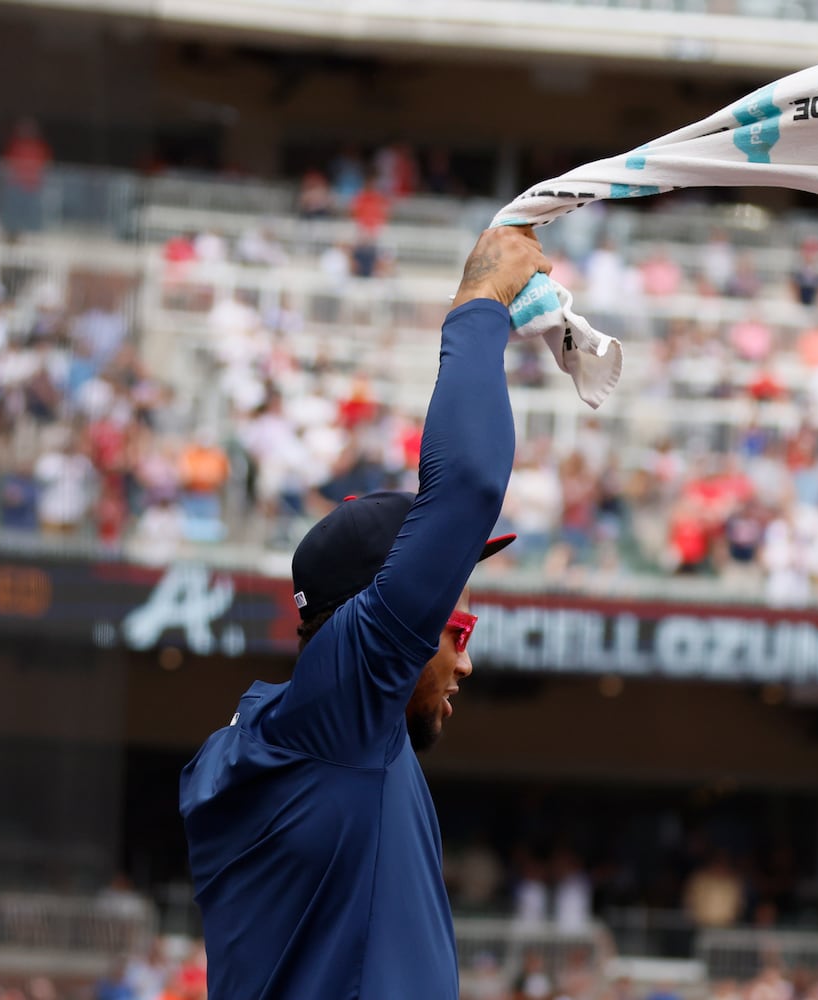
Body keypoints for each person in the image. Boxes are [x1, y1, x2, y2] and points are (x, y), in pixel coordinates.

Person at [179, 224, 549, 999]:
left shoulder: (281, 743)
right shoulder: (339, 716)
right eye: (456, 627)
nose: (468, 657)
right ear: (370, 623)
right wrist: (481, 306)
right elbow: (472, 484)